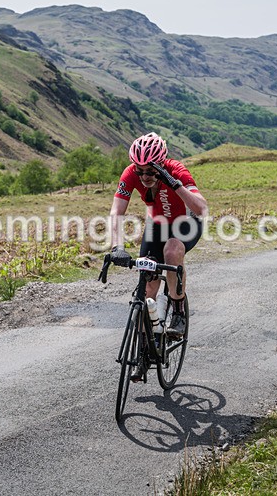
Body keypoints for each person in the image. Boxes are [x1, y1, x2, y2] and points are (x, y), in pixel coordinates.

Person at [108, 132, 207, 380]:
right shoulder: (130, 174)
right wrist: (116, 247)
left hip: (187, 222)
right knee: (147, 287)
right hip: (157, 224)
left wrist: (175, 184)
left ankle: (178, 310)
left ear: (161, 164)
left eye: (150, 171)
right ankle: (144, 352)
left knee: (172, 251)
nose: (144, 177)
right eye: (140, 171)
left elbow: (201, 208)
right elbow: (116, 213)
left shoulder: (176, 169)